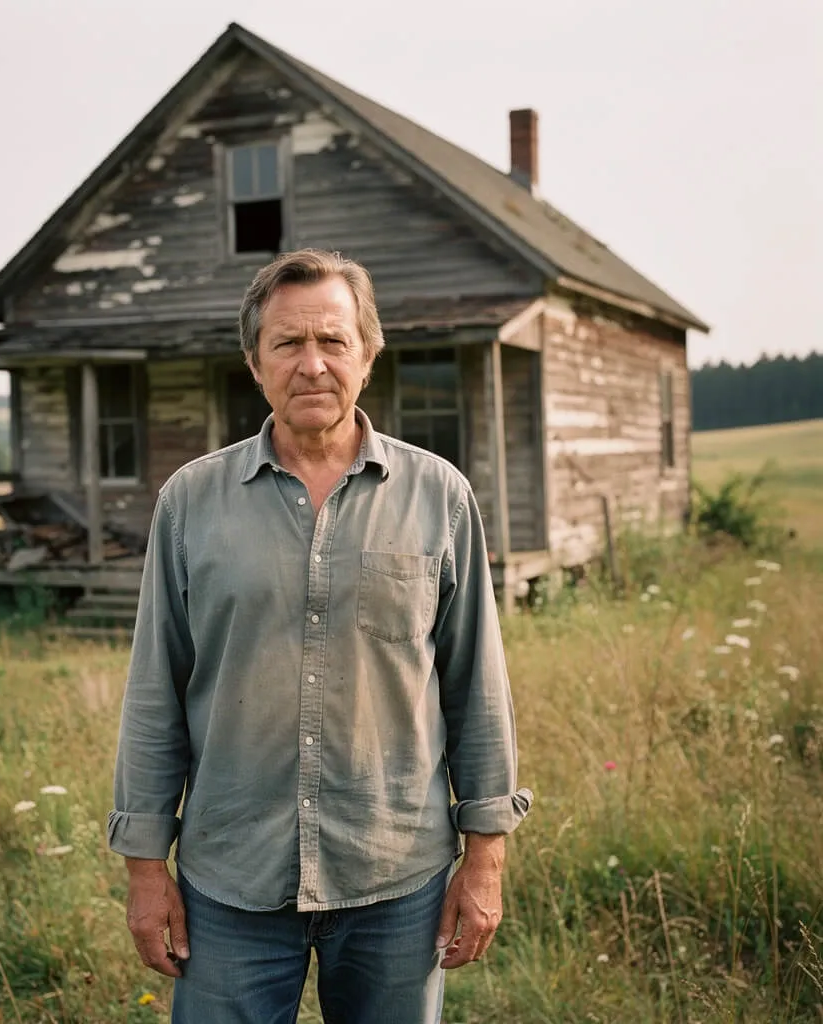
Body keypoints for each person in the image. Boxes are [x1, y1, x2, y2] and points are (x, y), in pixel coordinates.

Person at [108, 248, 532, 1022]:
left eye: (333, 341)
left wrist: (486, 858)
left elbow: (477, 687)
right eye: (288, 343)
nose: (312, 365)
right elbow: (152, 695)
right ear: (253, 361)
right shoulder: (190, 502)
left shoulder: (439, 496)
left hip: (394, 873)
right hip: (229, 880)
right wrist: (144, 868)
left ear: (368, 354)